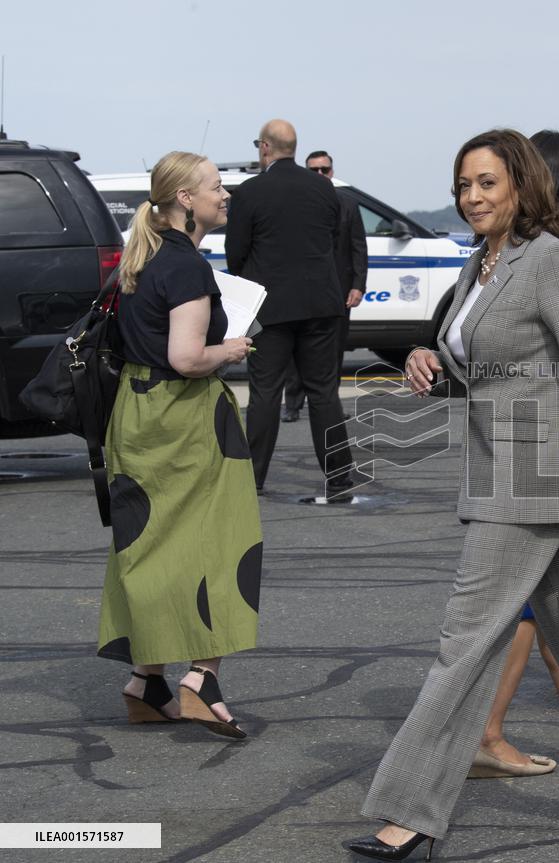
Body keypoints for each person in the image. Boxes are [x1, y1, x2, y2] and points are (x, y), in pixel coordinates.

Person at [347, 129, 559, 861]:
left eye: (487, 183)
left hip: (532, 481)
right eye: (463, 185)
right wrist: (428, 357)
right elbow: (491, 367)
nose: (472, 197)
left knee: (463, 644)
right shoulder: (481, 263)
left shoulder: (552, 261)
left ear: (522, 186)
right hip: (502, 470)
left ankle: (409, 811)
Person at [97, 151, 261, 739]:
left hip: (137, 411)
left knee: (150, 544)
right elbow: (188, 358)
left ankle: (147, 682)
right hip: (185, 416)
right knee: (220, 538)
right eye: (216, 186)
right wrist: (232, 349)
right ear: (186, 199)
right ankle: (202, 678)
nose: (226, 194)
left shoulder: (141, 257)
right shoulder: (188, 267)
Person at [469, 130, 559, 780]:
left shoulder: (537, 258)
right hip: (539, 459)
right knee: (522, 608)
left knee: (556, 605)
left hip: (533, 456)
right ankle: (487, 731)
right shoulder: (544, 259)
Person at [226, 119, 354, 498]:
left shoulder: (250, 192)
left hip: (270, 307)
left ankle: (253, 478)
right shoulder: (324, 187)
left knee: (265, 392)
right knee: (323, 392)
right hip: (321, 304)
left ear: (265, 147)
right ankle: (339, 475)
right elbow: (332, 238)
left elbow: (236, 252)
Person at [282, 149, 367, 423]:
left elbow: (358, 248)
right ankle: (292, 404)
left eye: (324, 169)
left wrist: (358, 285)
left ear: (332, 171)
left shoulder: (348, 204)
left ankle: (331, 407)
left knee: (333, 352)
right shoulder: (294, 204)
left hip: (339, 292)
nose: (320, 174)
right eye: (313, 170)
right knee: (297, 351)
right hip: (302, 291)